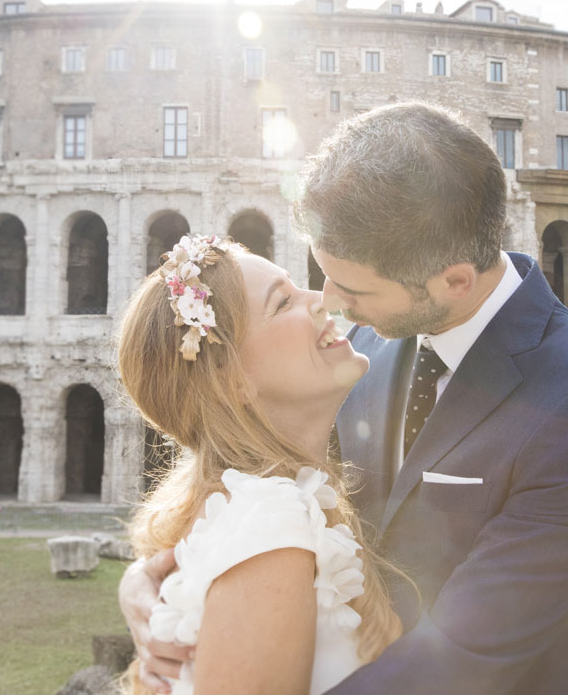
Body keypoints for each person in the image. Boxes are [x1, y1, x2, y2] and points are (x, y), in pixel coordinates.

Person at [121, 103, 568, 694]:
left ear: (453, 280)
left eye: (352, 287)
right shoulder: (350, 350)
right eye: (319, 274)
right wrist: (169, 586)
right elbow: (253, 476)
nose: (328, 301)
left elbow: (468, 658)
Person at [116, 234, 402, 695]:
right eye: (284, 300)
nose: (321, 298)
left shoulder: (260, 510)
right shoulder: (269, 524)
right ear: (233, 380)